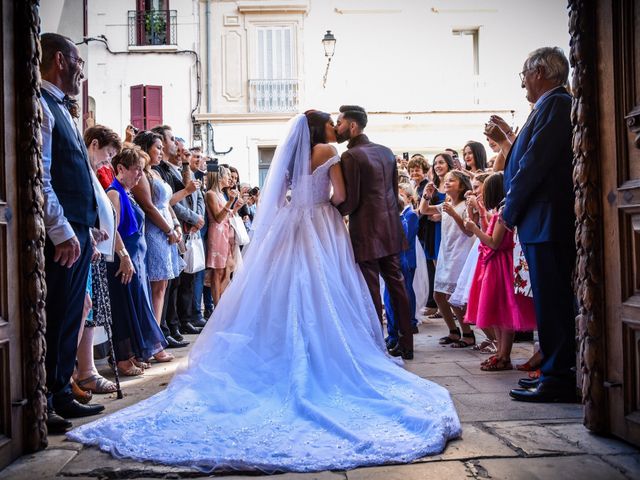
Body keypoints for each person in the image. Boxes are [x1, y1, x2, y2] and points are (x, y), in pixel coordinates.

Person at [67, 111, 460, 471]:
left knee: (287, 291)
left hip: (293, 223)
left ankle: (285, 349)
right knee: (324, 290)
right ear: (321, 129)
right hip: (320, 223)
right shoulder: (326, 149)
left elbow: (285, 192)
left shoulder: (291, 156)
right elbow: (338, 196)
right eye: (330, 122)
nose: (335, 127)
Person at [40, 33, 106, 433]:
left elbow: (79, 175)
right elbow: (42, 175)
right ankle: (44, 399)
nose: (82, 68)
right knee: (57, 312)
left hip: (80, 229)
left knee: (69, 317)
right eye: (78, 60)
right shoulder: (41, 106)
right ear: (61, 60)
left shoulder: (66, 109)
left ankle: (62, 389)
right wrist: (62, 229)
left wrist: (90, 228)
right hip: (62, 233)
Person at [503, 47, 577, 403]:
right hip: (539, 220)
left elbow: (532, 164)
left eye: (524, 75)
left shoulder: (558, 104)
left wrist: (508, 213)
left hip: (548, 219)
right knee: (548, 302)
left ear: (541, 72)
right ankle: (552, 369)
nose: (522, 84)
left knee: (554, 301)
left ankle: (559, 375)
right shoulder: (546, 107)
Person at [335, 105, 414, 360]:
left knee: (370, 289)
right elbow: (393, 193)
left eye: (340, 122)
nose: (337, 127)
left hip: (366, 230)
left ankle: (376, 345)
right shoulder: (386, 152)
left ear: (353, 126)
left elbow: (352, 201)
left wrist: (329, 210)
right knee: (397, 286)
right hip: (390, 227)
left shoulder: (351, 156)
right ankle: (406, 343)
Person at [464, 173, 537, 371]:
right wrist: (480, 214)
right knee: (495, 310)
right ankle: (500, 353)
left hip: (500, 265)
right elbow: (491, 231)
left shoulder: (504, 213)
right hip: (494, 265)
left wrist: (474, 229)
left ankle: (504, 355)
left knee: (504, 311)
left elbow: (494, 242)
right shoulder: (499, 212)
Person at [131, 131, 187, 349]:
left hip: (166, 231)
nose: (162, 151)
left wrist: (175, 225)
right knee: (155, 288)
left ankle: (158, 338)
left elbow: (166, 205)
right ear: (146, 148)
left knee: (162, 286)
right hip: (155, 233)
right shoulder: (142, 174)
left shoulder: (156, 173)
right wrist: (168, 230)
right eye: (158, 148)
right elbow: (149, 206)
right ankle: (154, 342)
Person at [420, 170, 476, 348]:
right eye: (446, 180)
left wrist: (453, 214)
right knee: (438, 295)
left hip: (461, 253)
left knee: (453, 296)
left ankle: (467, 333)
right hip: (446, 252)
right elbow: (424, 210)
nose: (447, 182)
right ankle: (453, 331)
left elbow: (468, 231)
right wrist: (426, 196)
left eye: (452, 180)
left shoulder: (465, 204)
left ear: (461, 186)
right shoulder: (445, 203)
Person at [384, 184, 419, 350]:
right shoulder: (400, 219)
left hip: (400, 264)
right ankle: (393, 334)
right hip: (397, 264)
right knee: (390, 301)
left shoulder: (406, 218)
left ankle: (398, 335)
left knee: (396, 301)